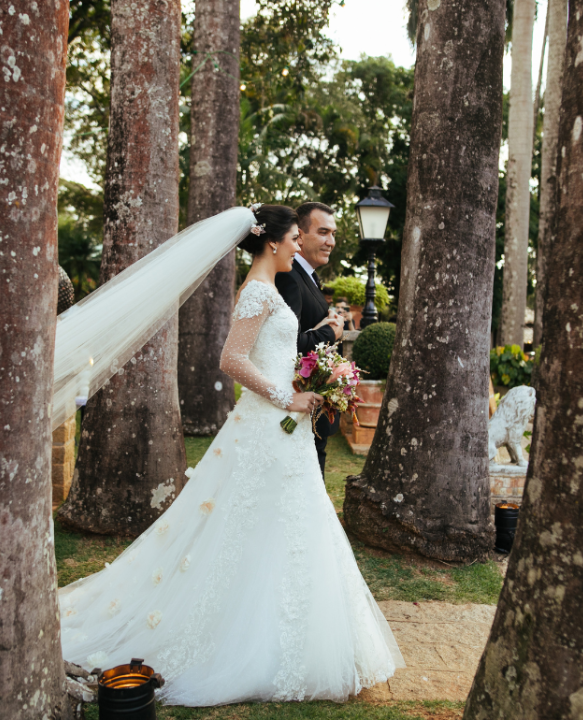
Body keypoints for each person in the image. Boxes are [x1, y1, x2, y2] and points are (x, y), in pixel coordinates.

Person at [57, 204, 404, 706]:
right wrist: (289, 397)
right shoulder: (259, 292)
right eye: (291, 240)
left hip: (282, 430)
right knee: (259, 524)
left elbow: (276, 356)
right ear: (273, 242)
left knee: (288, 526)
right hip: (268, 425)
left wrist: (312, 384)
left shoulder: (267, 290)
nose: (296, 247)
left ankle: (294, 631)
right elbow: (231, 359)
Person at [275, 202, 344, 477]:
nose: (331, 242)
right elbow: (287, 343)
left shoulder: (309, 277)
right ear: (300, 236)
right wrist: (331, 332)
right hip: (298, 401)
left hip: (314, 404)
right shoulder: (290, 277)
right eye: (324, 232)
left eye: (333, 234)